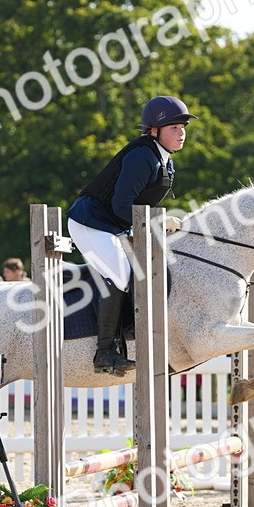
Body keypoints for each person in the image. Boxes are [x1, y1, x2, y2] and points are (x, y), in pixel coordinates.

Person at [67, 95, 194, 374]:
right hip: (90, 222)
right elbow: (122, 206)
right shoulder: (142, 156)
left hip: (115, 225)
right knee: (121, 273)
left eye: (183, 127)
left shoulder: (165, 160)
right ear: (153, 131)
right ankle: (104, 353)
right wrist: (157, 224)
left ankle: (128, 332)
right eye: (174, 127)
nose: (181, 132)